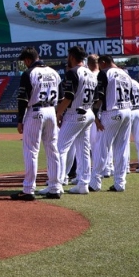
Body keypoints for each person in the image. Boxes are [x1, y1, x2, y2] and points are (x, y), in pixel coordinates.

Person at [14, 46, 62, 200]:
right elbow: (61, 98)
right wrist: (58, 114)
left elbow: (22, 99)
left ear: (28, 59)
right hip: (51, 111)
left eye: (24, 61)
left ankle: (28, 189)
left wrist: (20, 120)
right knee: (53, 149)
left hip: (35, 112)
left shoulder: (29, 73)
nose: (24, 63)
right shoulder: (54, 73)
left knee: (31, 151)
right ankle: (55, 187)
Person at [91, 54, 136, 192]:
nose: (99, 66)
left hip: (111, 112)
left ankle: (95, 182)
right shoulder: (126, 74)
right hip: (127, 111)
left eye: (100, 63)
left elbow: (100, 96)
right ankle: (120, 183)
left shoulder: (105, 73)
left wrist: (95, 115)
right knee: (122, 147)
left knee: (102, 147)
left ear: (104, 62)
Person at [59, 46, 97, 195]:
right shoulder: (92, 73)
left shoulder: (73, 72)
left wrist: (58, 112)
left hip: (75, 114)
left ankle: (56, 183)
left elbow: (68, 96)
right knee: (83, 150)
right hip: (88, 112)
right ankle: (83, 184)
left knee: (60, 148)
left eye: (69, 56)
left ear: (73, 57)